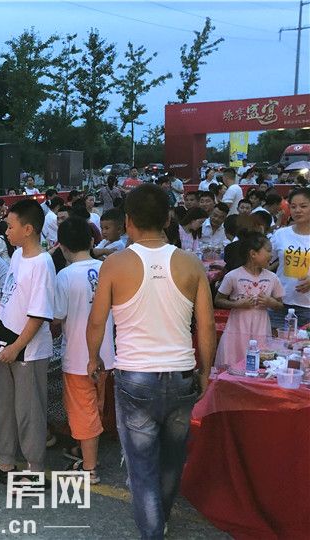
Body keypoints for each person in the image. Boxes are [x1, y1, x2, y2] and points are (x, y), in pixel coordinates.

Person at [86, 183, 215, 539]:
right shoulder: (190, 263)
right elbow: (206, 325)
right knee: (172, 459)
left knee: (142, 466)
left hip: (135, 377)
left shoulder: (115, 264)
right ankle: (161, 520)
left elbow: (97, 321)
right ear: (168, 219)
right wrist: (206, 371)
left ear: (128, 221)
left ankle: (152, 531)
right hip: (181, 373)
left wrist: (94, 358)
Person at [0, 199, 55, 489]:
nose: (7, 231)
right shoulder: (16, 256)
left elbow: (39, 314)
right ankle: (6, 461)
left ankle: (34, 468)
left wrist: (16, 347)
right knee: (3, 406)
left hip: (28, 350)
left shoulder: (42, 263)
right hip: (6, 343)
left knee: (29, 411)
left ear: (28, 229)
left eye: (11, 226)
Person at [54, 216, 115, 483]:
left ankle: (89, 468)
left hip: (78, 356)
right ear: (92, 242)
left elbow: (57, 315)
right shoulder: (106, 268)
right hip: (106, 353)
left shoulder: (65, 276)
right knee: (96, 406)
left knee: (83, 411)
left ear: (62, 246)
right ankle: (89, 456)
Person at [214, 232, 284, 370]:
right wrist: (237, 304)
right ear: (253, 254)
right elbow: (218, 300)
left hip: (261, 328)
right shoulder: (233, 276)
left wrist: (270, 302)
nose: (271, 255)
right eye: (268, 250)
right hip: (237, 329)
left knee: (258, 365)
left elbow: (280, 304)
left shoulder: (272, 278)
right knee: (234, 366)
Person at [269, 187, 310, 329]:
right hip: (280, 304)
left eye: (303, 206)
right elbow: (264, 261)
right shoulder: (281, 234)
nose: (298, 210)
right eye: (293, 206)